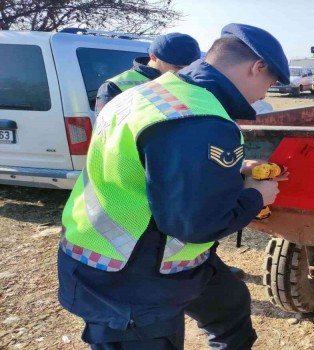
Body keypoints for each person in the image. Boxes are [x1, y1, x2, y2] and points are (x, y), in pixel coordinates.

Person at [57, 23, 290, 349]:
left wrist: (233, 172)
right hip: (130, 275)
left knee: (230, 306)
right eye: (270, 82)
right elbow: (196, 224)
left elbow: (157, 166)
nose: (265, 94)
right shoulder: (200, 119)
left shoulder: (150, 94)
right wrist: (255, 195)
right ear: (258, 67)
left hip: (125, 253)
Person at [94, 32, 201, 115]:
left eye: (190, 67)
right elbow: (105, 130)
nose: (183, 72)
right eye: (177, 67)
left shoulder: (191, 81)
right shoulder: (114, 86)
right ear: (153, 56)